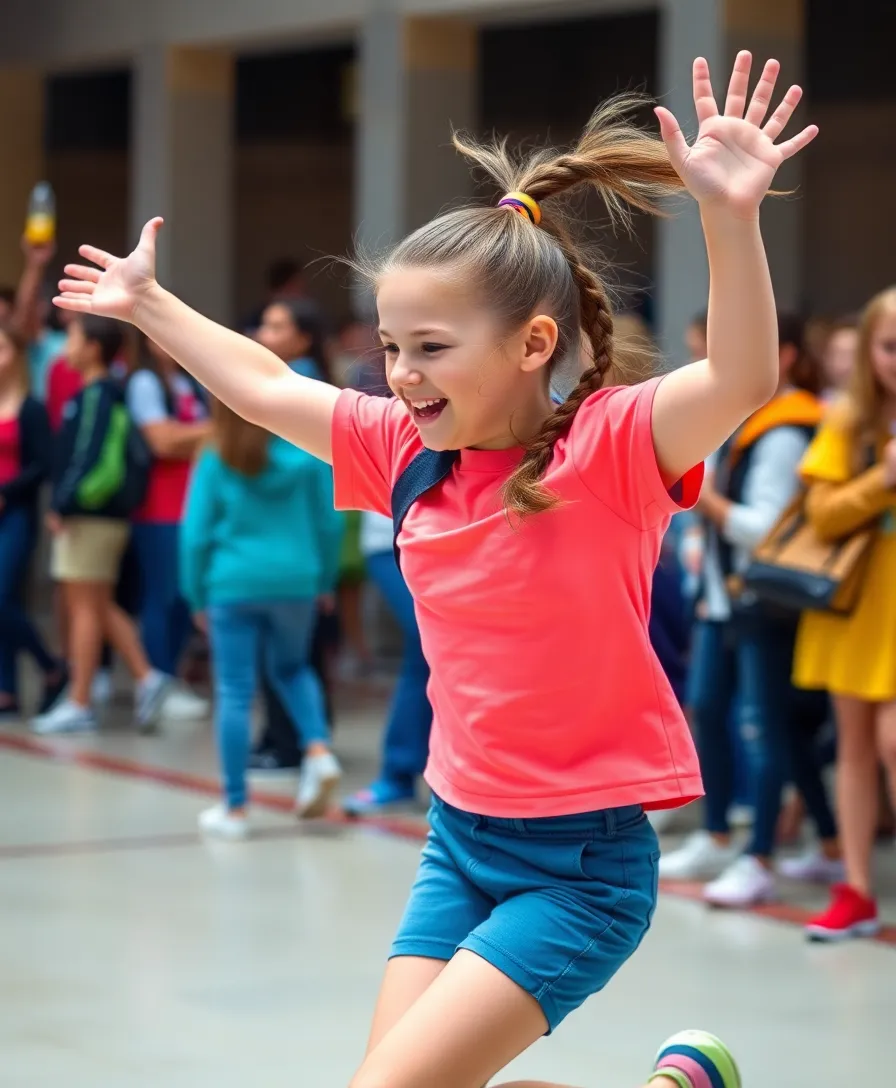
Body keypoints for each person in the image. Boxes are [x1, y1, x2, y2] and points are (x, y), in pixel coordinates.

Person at [56, 51, 816, 1088]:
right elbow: (268, 387)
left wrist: (730, 220)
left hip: (579, 866)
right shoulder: (406, 456)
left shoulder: (608, 451)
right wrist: (151, 308)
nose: (398, 374)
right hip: (457, 839)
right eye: (388, 347)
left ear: (529, 344)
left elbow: (739, 376)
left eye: (428, 347)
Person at [659, 313, 840, 906]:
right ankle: (731, 834)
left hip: (762, 600)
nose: (706, 363)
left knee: (765, 726)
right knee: (712, 710)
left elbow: (765, 528)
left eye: (714, 348)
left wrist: (703, 501)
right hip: (724, 596)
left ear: (781, 355)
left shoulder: (787, 428)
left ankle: (757, 854)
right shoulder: (747, 419)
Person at [181, 399, 345, 837]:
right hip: (297, 581)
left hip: (232, 584)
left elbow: (195, 535)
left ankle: (235, 807)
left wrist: (195, 594)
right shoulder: (307, 454)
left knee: (234, 691)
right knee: (292, 669)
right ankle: (317, 749)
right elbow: (330, 525)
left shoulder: (217, 456)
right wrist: (325, 580)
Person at [792, 286, 896, 940]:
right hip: (857, 608)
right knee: (855, 749)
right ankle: (856, 888)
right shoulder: (849, 419)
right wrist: (881, 479)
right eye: (889, 346)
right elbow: (821, 516)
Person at [33, 316, 168, 734]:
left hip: (90, 516)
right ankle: (148, 676)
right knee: (96, 604)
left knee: (85, 606)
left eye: (72, 339)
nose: (64, 348)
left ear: (93, 347)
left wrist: (61, 503)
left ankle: (80, 701)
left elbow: (86, 457)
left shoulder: (98, 394)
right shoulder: (101, 392)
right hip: (99, 517)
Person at [126, 335, 212, 718]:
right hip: (157, 507)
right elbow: (162, 440)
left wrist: (189, 437)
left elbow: (182, 438)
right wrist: (217, 430)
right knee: (162, 597)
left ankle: (171, 676)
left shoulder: (189, 382)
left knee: (183, 598)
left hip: (191, 504)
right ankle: (158, 680)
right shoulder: (144, 382)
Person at [0, 321, 67, 719]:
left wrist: (6, 494)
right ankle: (6, 689)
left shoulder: (30, 407)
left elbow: (44, 464)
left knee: (2, 597)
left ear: (17, 355)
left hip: (16, 514)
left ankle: (50, 665)